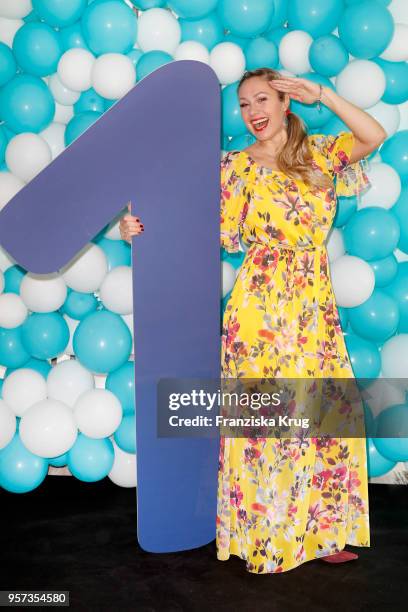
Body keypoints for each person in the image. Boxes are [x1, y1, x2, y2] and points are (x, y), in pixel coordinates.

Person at [119, 67, 387, 574]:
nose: (253, 112)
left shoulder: (319, 154)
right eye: (243, 104)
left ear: (286, 103)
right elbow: (175, 215)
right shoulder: (231, 168)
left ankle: (320, 530)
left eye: (262, 99)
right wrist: (128, 228)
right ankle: (267, 534)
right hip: (258, 307)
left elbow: (374, 136)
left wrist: (322, 94)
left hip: (312, 304)